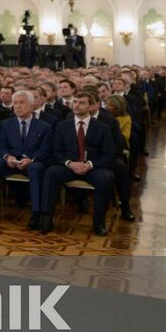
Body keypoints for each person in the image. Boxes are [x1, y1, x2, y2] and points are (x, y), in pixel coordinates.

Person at [39, 89, 116, 236]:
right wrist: (69, 163)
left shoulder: (103, 128)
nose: (77, 105)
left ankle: (99, 222)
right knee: (51, 173)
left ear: (91, 106)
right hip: (69, 166)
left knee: (106, 178)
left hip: (93, 167)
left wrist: (89, 165)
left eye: (82, 103)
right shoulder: (62, 126)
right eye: (75, 102)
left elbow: (109, 155)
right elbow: (56, 151)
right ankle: (46, 218)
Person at [0, 89, 52, 229]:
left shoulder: (44, 126)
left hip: (32, 163)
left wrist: (31, 160)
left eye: (22, 103)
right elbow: (1, 146)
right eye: (15, 103)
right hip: (11, 161)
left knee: (36, 168)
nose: (17, 106)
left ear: (32, 105)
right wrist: (7, 157)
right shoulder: (6, 124)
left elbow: (45, 150)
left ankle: (36, 213)